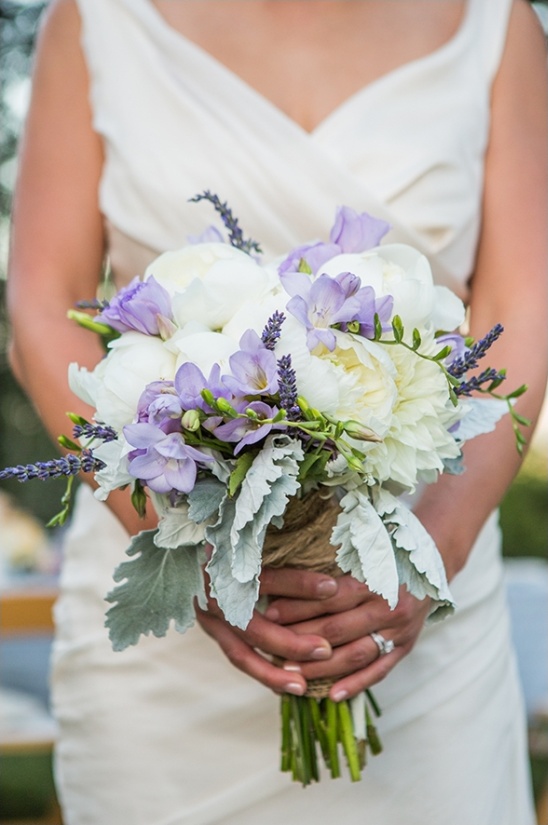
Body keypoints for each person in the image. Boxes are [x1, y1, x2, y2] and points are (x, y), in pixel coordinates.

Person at [6, 0, 547, 823]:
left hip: (420, 633)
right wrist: (179, 544)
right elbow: (43, 308)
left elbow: (524, 309)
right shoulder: (94, 21)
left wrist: (431, 548)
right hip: (164, 668)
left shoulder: (497, 24)